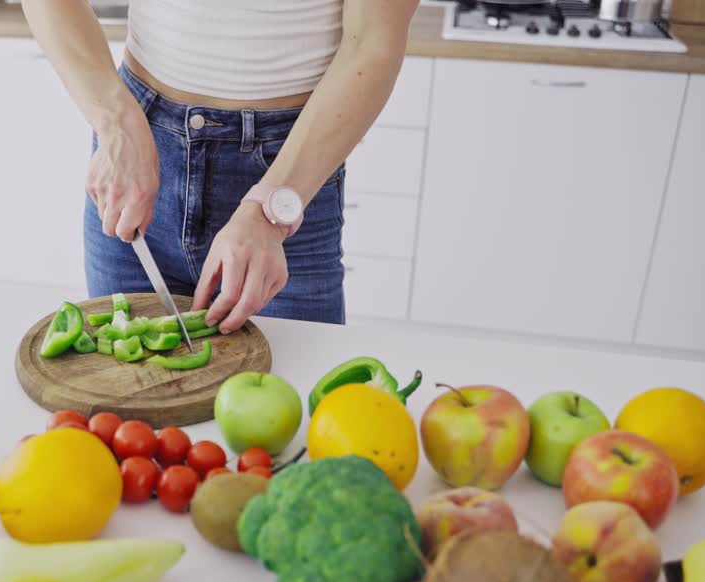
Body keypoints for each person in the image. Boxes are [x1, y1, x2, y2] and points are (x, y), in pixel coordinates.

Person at [21, 0, 418, 333]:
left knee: (293, 410)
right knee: (124, 407)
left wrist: (270, 211)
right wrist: (117, 125)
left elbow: (372, 44)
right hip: (137, 153)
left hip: (287, 171)